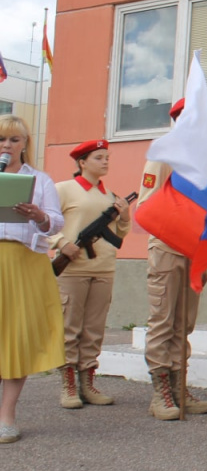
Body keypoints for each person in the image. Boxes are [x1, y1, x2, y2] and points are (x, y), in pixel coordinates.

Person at [138, 98, 207, 420]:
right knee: (163, 321)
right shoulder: (164, 154)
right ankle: (161, 391)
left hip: (194, 251)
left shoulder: (205, 161)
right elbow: (147, 204)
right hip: (168, 249)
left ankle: (178, 383)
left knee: (183, 324)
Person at [50, 140, 132, 408]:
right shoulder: (63, 189)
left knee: (94, 330)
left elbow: (119, 235)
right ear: (82, 162)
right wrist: (63, 244)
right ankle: (69, 384)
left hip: (103, 268)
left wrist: (123, 216)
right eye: (99, 157)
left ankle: (88, 382)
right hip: (73, 270)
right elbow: (45, 223)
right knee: (70, 328)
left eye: (107, 157)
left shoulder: (111, 197)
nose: (106, 162)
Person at [0, 115, 66, 443]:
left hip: (24, 262)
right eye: (1, 140)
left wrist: (38, 215)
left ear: (25, 143)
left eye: (13, 140)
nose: (6, 146)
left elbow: (56, 222)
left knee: (18, 337)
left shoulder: (40, 180)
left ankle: (7, 415)